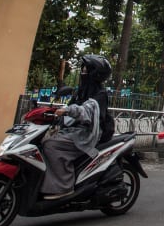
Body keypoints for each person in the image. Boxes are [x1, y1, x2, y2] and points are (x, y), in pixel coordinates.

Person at [40, 54, 112, 199]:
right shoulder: (81, 91)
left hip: (87, 133)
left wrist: (68, 110)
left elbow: (86, 110)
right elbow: (69, 107)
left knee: (51, 145)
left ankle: (63, 186)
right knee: (42, 140)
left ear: (94, 73)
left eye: (85, 69)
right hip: (73, 130)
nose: (82, 71)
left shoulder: (100, 94)